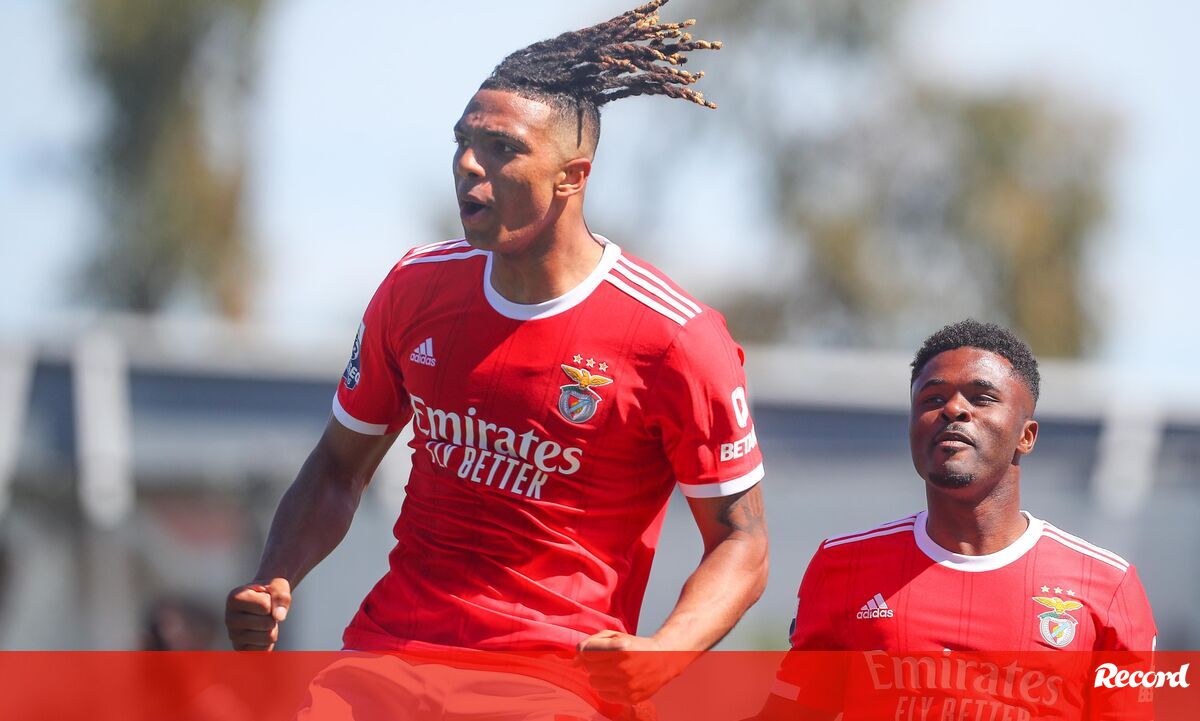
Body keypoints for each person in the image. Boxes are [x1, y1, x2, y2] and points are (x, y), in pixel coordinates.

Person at [225, 0, 768, 711]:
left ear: (572, 176)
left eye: (501, 148)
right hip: (388, 658)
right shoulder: (415, 287)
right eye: (462, 141)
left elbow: (742, 541)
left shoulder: (675, 338)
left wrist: (666, 650)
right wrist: (274, 574)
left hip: (549, 683)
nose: (466, 165)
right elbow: (336, 468)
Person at [756, 320, 1156, 720]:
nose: (953, 409)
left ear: (1026, 436)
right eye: (932, 399)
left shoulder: (1108, 586)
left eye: (982, 398)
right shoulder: (844, 566)